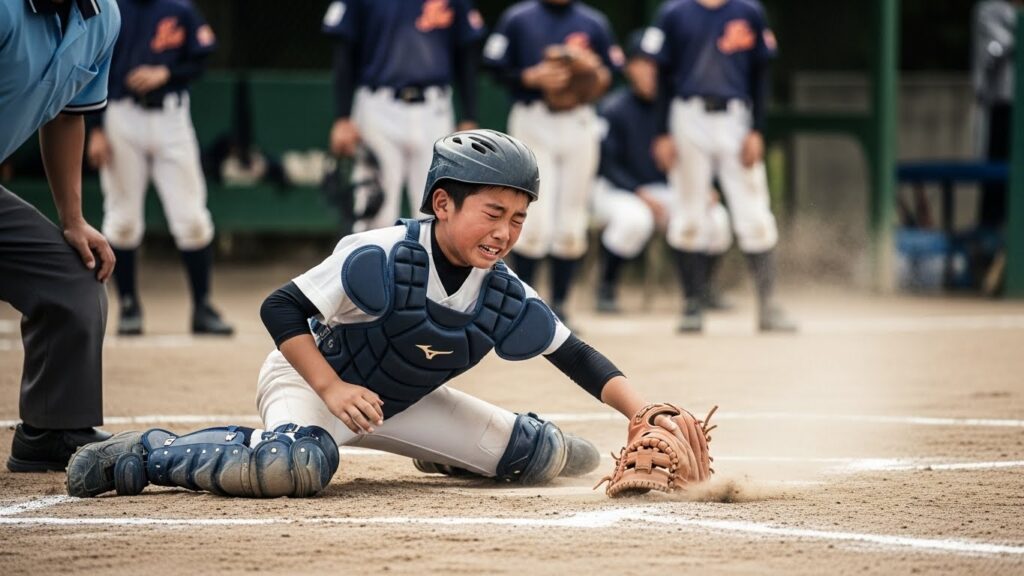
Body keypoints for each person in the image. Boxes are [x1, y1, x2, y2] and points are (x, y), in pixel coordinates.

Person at [66, 129, 707, 499]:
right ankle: (150, 453)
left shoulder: (503, 288)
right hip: (314, 382)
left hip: (400, 401)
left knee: (546, 457)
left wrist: (641, 411)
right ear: (443, 203)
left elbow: (574, 354)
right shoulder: (378, 253)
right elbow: (279, 307)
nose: (505, 231)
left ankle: (445, 452)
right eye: (492, 212)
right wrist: (330, 387)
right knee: (291, 468)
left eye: (518, 217)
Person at [1, 0, 120, 472]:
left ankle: (52, 428)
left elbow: (69, 112)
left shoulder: (101, 17)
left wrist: (73, 218)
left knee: (73, 278)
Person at [647, 0, 796, 333]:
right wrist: (661, 133)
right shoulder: (674, 12)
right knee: (688, 214)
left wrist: (757, 129)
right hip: (688, 115)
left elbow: (761, 73)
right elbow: (663, 77)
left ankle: (768, 306)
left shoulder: (749, 10)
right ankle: (692, 305)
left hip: (736, 117)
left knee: (754, 213)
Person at [86, 0, 233, 336]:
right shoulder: (111, 8)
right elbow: (91, 66)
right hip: (120, 116)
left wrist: (166, 72)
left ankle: (202, 307)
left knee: (192, 218)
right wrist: (94, 128)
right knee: (122, 219)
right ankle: (128, 306)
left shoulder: (179, 9)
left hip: (171, 117)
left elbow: (201, 57)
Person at [482, 0, 620, 325]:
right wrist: (529, 76)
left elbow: (612, 71)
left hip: (578, 121)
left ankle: (559, 306)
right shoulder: (518, 17)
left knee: (571, 218)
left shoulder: (593, 21)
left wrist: (594, 73)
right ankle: (524, 305)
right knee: (534, 217)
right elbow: (491, 64)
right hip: (534, 117)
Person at [593, 30, 732, 314]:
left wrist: (703, 187)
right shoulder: (613, 108)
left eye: (657, 64)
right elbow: (606, 165)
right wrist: (638, 193)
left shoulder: (680, 109)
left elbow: (699, 155)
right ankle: (606, 287)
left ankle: (702, 290)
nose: (651, 71)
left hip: (669, 189)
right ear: (630, 67)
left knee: (717, 220)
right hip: (617, 189)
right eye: (643, 63)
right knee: (635, 220)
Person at [322, 0, 485, 232]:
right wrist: (342, 117)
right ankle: (371, 268)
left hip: (435, 108)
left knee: (437, 209)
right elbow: (343, 54)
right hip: (378, 105)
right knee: (375, 210)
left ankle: (429, 269)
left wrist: (469, 117)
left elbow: (466, 56)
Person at [972, 0, 1021, 231]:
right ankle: (992, 233)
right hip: (1003, 106)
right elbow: (1000, 46)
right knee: (998, 180)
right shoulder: (989, 11)